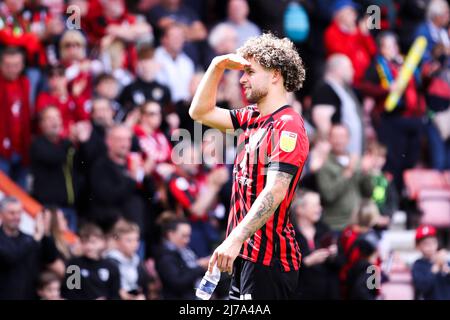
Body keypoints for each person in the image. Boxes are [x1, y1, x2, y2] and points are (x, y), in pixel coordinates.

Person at [189, 33, 309, 300]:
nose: (242, 79)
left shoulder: (287, 125)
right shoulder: (252, 117)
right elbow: (200, 112)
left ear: (275, 75)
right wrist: (216, 66)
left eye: (250, 72)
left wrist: (233, 239)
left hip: (270, 261)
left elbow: (275, 191)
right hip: (245, 255)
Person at [316, 124, 374, 232]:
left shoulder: (356, 161)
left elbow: (369, 192)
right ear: (329, 139)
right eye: (335, 136)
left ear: (348, 139)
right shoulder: (325, 164)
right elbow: (328, 195)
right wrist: (348, 172)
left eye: (342, 136)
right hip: (336, 225)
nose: (339, 140)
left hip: (358, 224)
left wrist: (367, 173)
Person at [0, 197, 58, 299]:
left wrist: (46, 234)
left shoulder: (28, 239)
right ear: (1, 214)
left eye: (19, 213)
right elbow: (10, 257)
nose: (16, 217)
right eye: (12, 213)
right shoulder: (31, 241)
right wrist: (35, 239)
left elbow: (50, 258)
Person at [30, 107, 78, 230]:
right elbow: (54, 157)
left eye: (57, 117)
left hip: (70, 206)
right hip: (49, 207)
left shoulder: (66, 144)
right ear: (41, 124)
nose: (54, 122)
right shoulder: (38, 144)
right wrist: (69, 142)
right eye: (50, 118)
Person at [311, 54, 364, 155]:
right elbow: (322, 121)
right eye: (350, 67)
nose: (353, 71)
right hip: (334, 156)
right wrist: (331, 150)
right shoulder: (325, 89)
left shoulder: (341, 89)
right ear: (338, 69)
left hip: (345, 155)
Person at [292, 191, 340, 300]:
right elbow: (283, 271)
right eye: (315, 205)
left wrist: (334, 254)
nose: (320, 209)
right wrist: (307, 262)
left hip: (327, 293)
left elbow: (340, 263)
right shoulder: (290, 235)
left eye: (319, 205)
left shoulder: (325, 230)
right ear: (300, 209)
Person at [0, 47, 32, 189]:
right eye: (8, 65)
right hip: (2, 151)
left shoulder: (24, 83)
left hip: (21, 147)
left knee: (22, 194)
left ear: (22, 65)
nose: (12, 69)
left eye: (16, 65)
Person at [61, 223, 121, 300]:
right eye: (85, 242)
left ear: (102, 242)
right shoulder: (74, 265)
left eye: (93, 242)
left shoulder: (111, 267)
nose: (89, 246)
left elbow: (115, 295)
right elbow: (70, 293)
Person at [155, 216, 209, 300]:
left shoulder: (186, 251)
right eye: (183, 236)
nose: (187, 240)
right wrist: (200, 267)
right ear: (170, 234)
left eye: (188, 236)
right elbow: (177, 282)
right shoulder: (164, 256)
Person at [324, 0, 377, 85]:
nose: (354, 15)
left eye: (354, 12)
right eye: (350, 12)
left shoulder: (357, 31)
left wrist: (365, 34)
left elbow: (373, 52)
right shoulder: (331, 32)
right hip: (347, 82)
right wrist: (356, 33)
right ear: (339, 14)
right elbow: (342, 55)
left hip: (365, 79)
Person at [105, 220, 152, 300]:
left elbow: (144, 287)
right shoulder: (109, 262)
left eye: (136, 240)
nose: (134, 244)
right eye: (129, 240)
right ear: (117, 241)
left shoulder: (137, 261)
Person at [154, 24, 195, 104]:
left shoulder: (187, 62)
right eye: (174, 37)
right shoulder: (155, 58)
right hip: (164, 105)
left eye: (180, 37)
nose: (178, 40)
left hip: (186, 106)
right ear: (164, 39)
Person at [412, 225, 450, 300]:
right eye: (426, 244)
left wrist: (446, 269)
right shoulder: (418, 265)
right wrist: (435, 268)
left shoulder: (444, 261)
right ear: (418, 246)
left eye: (433, 242)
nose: (431, 247)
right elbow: (422, 287)